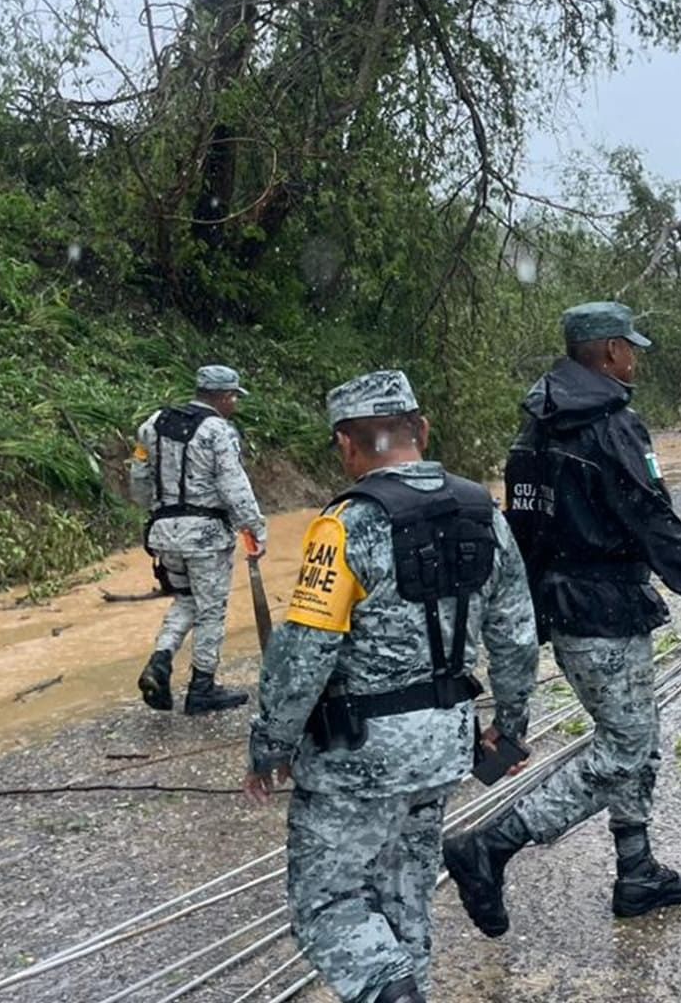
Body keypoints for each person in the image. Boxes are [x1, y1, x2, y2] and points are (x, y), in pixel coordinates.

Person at [444, 301, 681, 938]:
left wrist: (531, 611)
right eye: (628, 348)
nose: (634, 359)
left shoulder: (536, 427)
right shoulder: (613, 424)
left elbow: (524, 529)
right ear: (607, 353)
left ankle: (636, 871)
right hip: (604, 608)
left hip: (566, 604)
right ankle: (492, 845)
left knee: (639, 737)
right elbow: (651, 516)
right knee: (625, 744)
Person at [243, 370, 538, 1003]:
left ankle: (390, 992)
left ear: (346, 446)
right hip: (445, 746)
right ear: (421, 431)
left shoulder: (343, 527)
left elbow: (303, 652)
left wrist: (271, 742)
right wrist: (509, 727)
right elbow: (516, 635)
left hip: (357, 754)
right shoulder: (485, 513)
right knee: (406, 892)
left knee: (327, 904)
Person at [129, 364, 268, 714]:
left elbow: (138, 477)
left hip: (164, 533)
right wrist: (254, 527)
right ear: (221, 396)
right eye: (234, 396)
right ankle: (202, 687)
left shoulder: (153, 424)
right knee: (211, 610)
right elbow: (233, 485)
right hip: (206, 536)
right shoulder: (218, 432)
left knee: (187, 600)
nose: (235, 403)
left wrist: (156, 509)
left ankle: (159, 662)